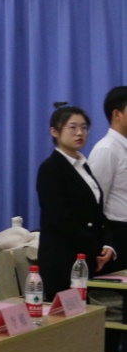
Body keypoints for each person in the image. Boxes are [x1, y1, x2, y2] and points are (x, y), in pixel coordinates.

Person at [38, 104, 115, 298]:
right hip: (62, 258)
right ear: (54, 132)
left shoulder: (83, 166)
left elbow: (97, 212)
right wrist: (96, 247)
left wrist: (107, 245)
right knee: (65, 314)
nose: (80, 133)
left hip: (85, 256)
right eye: (72, 127)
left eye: (84, 127)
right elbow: (60, 218)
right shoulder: (51, 168)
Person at [89, 86, 127, 271]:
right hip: (117, 233)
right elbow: (94, 201)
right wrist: (106, 240)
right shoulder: (106, 149)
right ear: (116, 114)